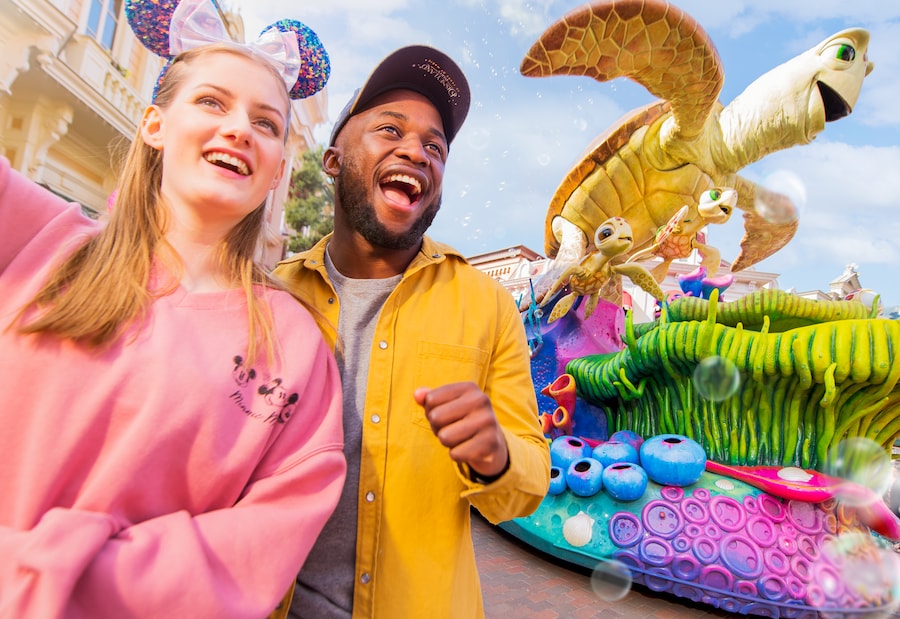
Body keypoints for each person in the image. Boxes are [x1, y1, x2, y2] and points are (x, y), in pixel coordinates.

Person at [0, 1, 345, 617]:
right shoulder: (29, 234)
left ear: (275, 175)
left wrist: (43, 579)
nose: (240, 128)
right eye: (212, 102)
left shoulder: (294, 344)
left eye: (266, 124)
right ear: (154, 125)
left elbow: (259, 542)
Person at [273, 45, 551, 618]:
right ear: (332, 159)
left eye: (435, 146)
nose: (416, 152)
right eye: (389, 130)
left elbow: (527, 484)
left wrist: (495, 456)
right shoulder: (271, 297)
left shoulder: (487, 305)